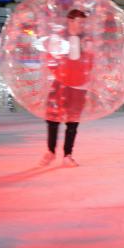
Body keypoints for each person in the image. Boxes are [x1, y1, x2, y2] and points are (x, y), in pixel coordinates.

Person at [39, 9, 92, 167]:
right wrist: (61, 76)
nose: (82, 25)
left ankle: (67, 155)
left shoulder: (87, 40)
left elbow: (90, 61)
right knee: (52, 118)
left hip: (79, 86)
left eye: (83, 22)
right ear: (70, 21)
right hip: (60, 84)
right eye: (79, 22)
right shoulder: (59, 37)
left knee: (73, 122)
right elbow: (51, 59)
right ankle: (50, 151)